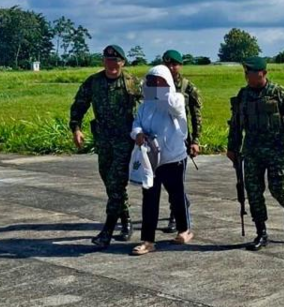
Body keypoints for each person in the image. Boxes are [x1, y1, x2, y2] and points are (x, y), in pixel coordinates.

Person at [226, 56, 284, 251]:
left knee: (278, 189)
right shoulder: (243, 95)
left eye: (250, 73)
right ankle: (261, 233)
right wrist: (232, 147)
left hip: (275, 150)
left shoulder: (278, 93)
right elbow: (235, 123)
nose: (247, 76)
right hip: (252, 150)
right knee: (253, 193)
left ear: (263, 73)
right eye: (245, 73)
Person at [70, 44, 142, 248]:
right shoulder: (94, 82)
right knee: (109, 181)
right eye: (108, 60)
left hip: (124, 142)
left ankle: (107, 231)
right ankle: (126, 219)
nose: (112, 64)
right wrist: (76, 128)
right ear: (103, 61)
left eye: (116, 61)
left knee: (117, 182)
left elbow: (147, 106)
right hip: (103, 141)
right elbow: (79, 105)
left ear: (123, 63)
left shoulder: (132, 82)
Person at [129, 65, 194, 255]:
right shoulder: (145, 105)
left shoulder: (176, 99)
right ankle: (148, 240)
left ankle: (184, 230)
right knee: (149, 198)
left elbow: (175, 105)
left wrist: (163, 90)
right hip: (151, 159)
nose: (155, 85)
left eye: (159, 81)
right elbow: (136, 124)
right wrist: (138, 134)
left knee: (177, 196)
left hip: (173, 158)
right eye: (151, 81)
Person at [160, 49, 202, 234]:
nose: (171, 67)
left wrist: (195, 141)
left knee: (176, 181)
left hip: (180, 141)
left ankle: (176, 216)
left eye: (174, 64)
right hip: (161, 141)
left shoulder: (187, 88)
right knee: (164, 181)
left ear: (180, 65)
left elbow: (196, 116)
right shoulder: (155, 85)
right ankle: (180, 207)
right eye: (167, 64)